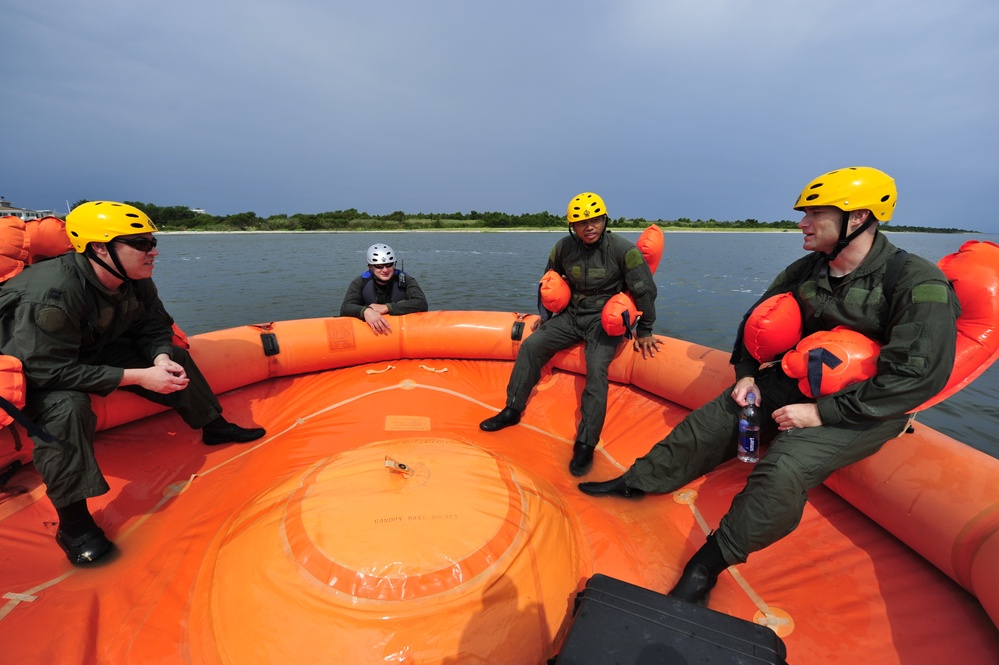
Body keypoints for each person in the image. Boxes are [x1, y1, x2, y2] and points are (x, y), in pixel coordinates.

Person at [578, 167, 961, 604]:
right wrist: (744, 374)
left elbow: (917, 376)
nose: (803, 223)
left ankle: (710, 563)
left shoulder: (915, 282)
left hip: (865, 405)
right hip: (797, 378)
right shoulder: (808, 269)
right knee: (714, 419)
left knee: (783, 469)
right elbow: (756, 320)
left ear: (857, 219)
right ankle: (640, 480)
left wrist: (821, 413)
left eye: (816, 214)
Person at [0, 201, 266, 565]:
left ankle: (214, 426)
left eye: (152, 241)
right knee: (65, 409)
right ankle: (74, 524)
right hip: (40, 367)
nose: (153, 250)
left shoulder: (134, 280)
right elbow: (45, 370)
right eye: (141, 243)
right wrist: (138, 377)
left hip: (87, 351)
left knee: (175, 358)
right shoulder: (52, 293)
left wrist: (158, 358)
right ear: (99, 248)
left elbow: (154, 327)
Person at [479, 192, 661, 476]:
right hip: (572, 315)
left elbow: (644, 290)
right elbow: (548, 279)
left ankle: (586, 442)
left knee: (597, 368)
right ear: (572, 227)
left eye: (594, 220)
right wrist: (546, 316)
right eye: (581, 222)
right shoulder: (563, 248)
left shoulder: (623, 250)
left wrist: (646, 329)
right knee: (531, 346)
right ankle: (512, 409)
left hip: (605, 318)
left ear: (604, 220)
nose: (589, 227)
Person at [340, 243, 428, 335]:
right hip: (370, 336)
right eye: (379, 266)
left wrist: (387, 307)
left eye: (389, 265)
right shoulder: (360, 282)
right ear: (370, 267)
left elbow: (421, 303)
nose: (385, 270)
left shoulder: (406, 280)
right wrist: (366, 311)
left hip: (403, 332)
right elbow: (346, 308)